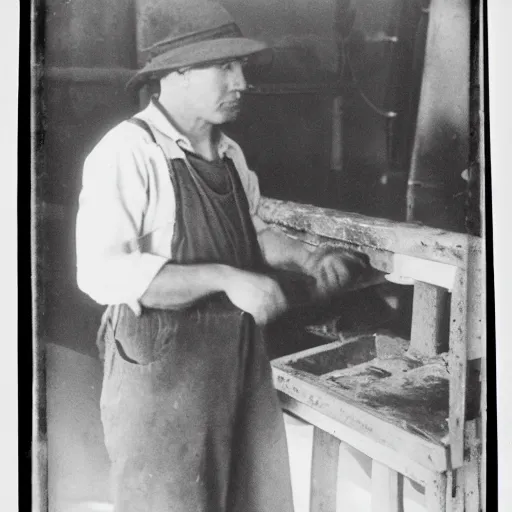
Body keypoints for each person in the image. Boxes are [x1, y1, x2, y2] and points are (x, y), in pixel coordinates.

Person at [76, 1, 365, 511]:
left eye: (242, 68)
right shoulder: (128, 152)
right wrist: (226, 278)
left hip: (237, 363)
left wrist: (309, 257)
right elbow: (101, 272)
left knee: (253, 499)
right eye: (225, 67)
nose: (242, 82)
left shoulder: (230, 154)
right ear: (178, 71)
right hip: (162, 377)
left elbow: (254, 231)